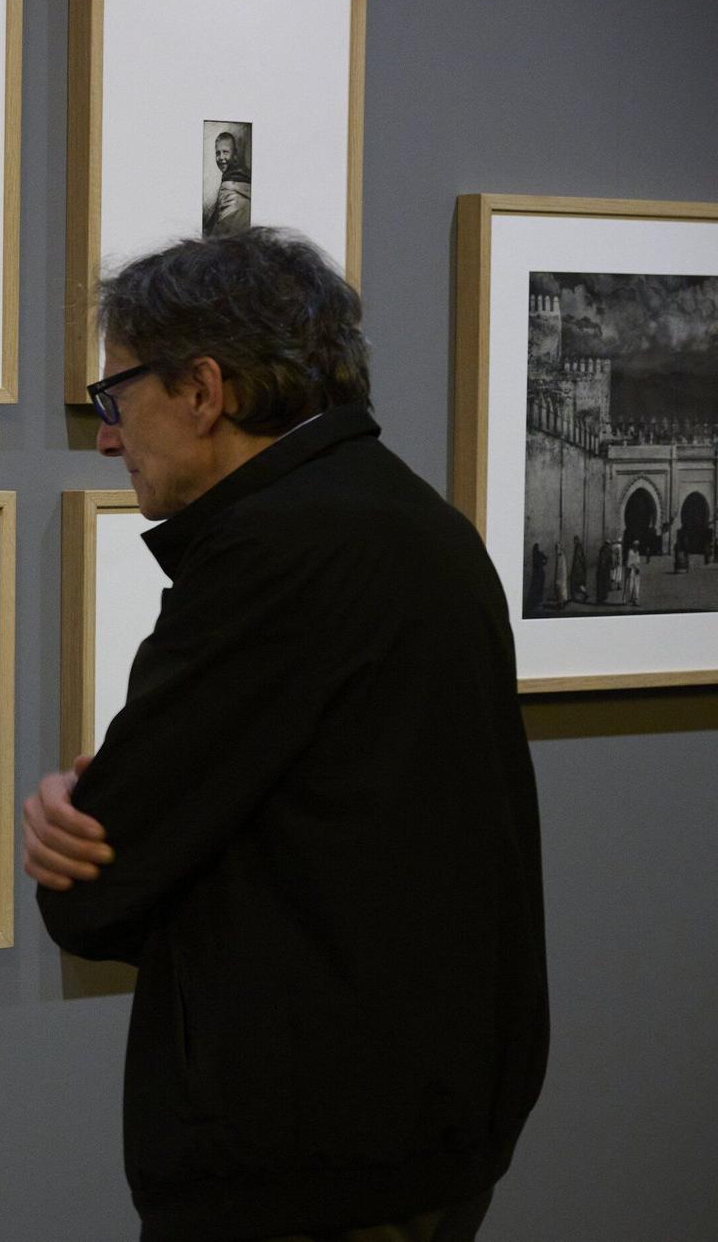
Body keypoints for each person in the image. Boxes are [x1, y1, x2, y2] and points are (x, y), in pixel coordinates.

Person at [27, 229, 547, 1241]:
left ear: (202, 391)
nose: (102, 435)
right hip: (433, 1129)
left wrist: (79, 826)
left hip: (307, 1162)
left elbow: (97, 890)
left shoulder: (272, 557)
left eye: (113, 397)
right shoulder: (415, 523)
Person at [201, 130, 252, 237]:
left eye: (225, 152)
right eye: (217, 153)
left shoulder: (232, 184)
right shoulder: (229, 178)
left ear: (234, 155)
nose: (221, 158)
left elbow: (224, 229)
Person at [525, 542, 546, 613]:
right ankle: (537, 603)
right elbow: (545, 560)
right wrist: (543, 562)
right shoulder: (538, 554)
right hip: (540, 574)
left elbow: (544, 560)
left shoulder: (535, 554)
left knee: (537, 588)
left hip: (538, 574)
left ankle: (536, 603)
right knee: (538, 588)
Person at [569, 535, 587, 603]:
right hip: (580, 569)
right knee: (580, 583)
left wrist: (575, 569)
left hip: (578, 570)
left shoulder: (578, 547)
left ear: (577, 540)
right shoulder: (579, 547)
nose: (574, 542)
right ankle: (582, 595)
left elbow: (578, 558)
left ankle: (582, 596)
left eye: (574, 540)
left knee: (578, 583)